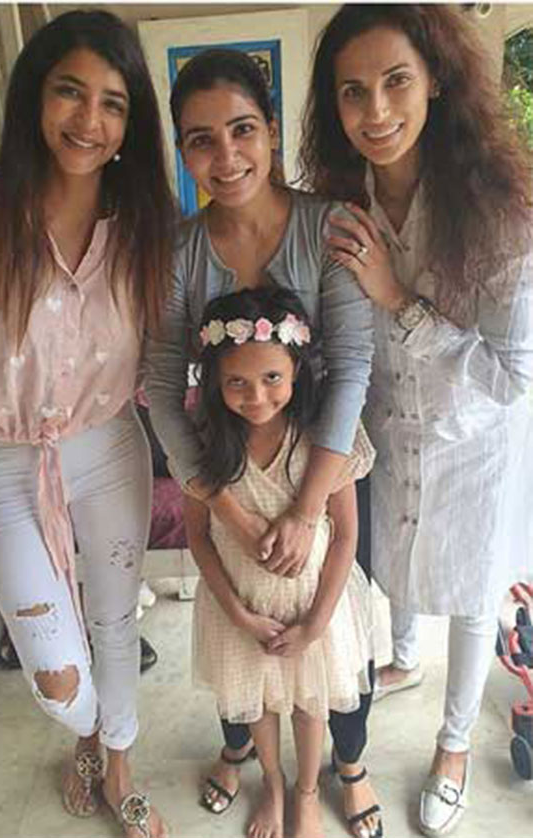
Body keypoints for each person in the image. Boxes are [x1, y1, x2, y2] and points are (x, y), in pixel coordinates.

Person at [0, 11, 176, 838]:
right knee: (56, 671)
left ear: (131, 123)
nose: (90, 120)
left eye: (113, 103)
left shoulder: (142, 221)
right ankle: (86, 725)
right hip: (6, 459)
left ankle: (116, 759)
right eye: (70, 92)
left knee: (115, 619)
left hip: (108, 445)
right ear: (33, 98)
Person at [300, 4, 533, 835]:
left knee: (470, 592)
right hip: (383, 432)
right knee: (388, 563)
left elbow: (511, 376)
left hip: (474, 441)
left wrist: (400, 302)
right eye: (352, 91)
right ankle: (402, 660)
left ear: (435, 79)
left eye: (396, 81)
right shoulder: (338, 205)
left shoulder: (499, 213)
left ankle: (455, 743)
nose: (375, 112)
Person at [146, 47, 382, 838]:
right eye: (200, 139)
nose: (226, 156)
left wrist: (308, 509)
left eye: (242, 129)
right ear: (182, 151)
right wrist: (233, 514)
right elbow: (161, 386)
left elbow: (351, 367)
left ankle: (342, 772)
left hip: (323, 466)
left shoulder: (329, 225)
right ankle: (250, 763)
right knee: (241, 643)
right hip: (224, 475)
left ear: (272, 130)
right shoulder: (178, 253)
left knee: (331, 637)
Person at [185, 287, 374, 838]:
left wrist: (316, 623)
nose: (257, 397)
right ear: (215, 382)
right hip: (242, 610)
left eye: (272, 378)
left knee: (311, 704)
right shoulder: (205, 446)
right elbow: (199, 538)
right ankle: (271, 783)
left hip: (315, 609)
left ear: (296, 370)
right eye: (237, 383)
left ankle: (307, 791)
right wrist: (238, 614)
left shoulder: (322, 440)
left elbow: (345, 537)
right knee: (259, 703)